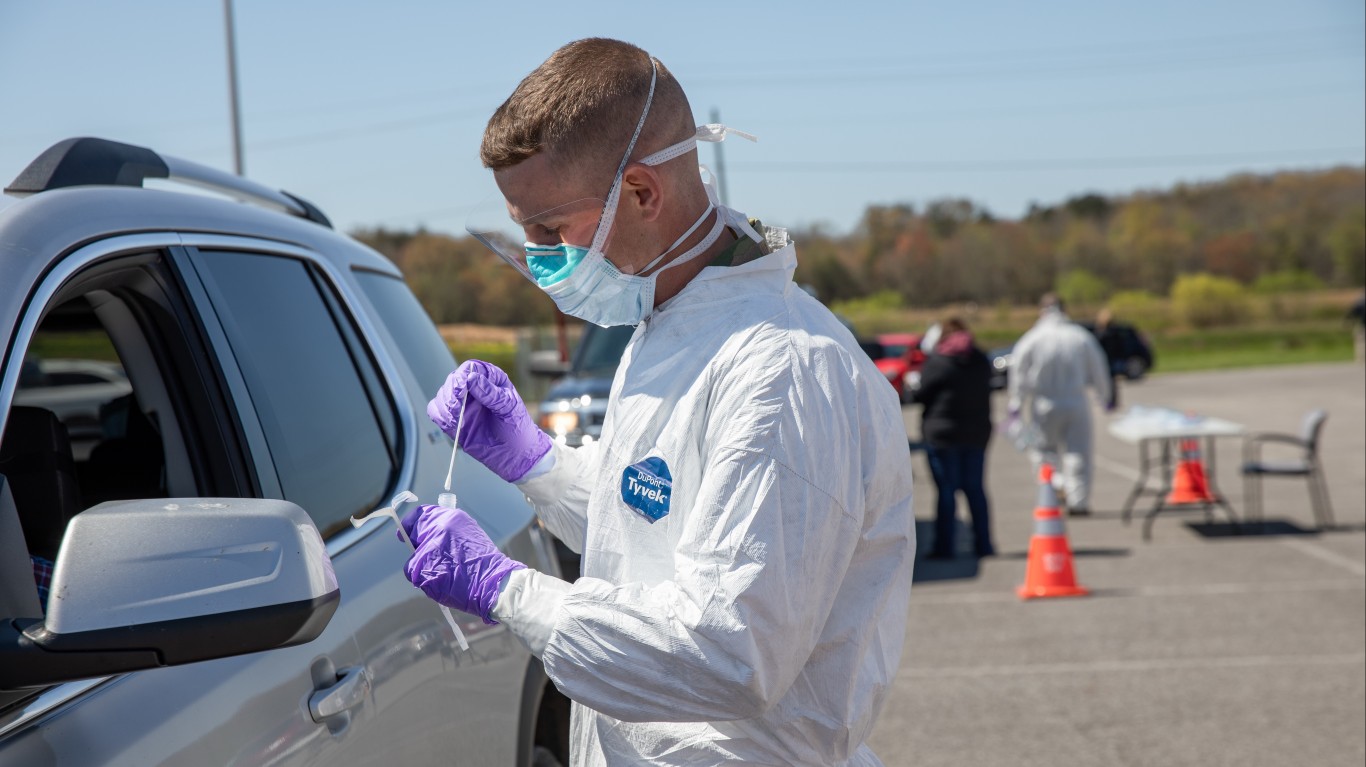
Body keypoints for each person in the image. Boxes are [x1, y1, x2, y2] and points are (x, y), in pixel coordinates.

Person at [403, 39, 914, 766]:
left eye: (550, 230)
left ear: (642, 193)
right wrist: (539, 464)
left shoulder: (781, 374)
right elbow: (659, 524)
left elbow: (729, 651)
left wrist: (510, 591)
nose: (538, 256)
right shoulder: (670, 321)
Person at [1008, 293, 1112, 516]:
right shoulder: (1079, 336)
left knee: (1043, 451)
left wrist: (1016, 403)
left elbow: (1018, 372)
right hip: (1075, 401)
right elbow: (1099, 368)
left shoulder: (1032, 338)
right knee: (1079, 452)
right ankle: (1079, 501)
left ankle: (1053, 486)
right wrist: (1105, 396)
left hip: (1043, 403)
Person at [910, 318, 995, 559]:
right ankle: (984, 545)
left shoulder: (938, 361)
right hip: (977, 434)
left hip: (942, 435)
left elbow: (921, 394)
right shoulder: (980, 359)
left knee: (946, 491)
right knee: (975, 490)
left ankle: (945, 547)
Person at [1092, 308, 1124, 409]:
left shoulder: (1104, 332)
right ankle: (1110, 400)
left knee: (1107, 380)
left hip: (1106, 359)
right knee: (1111, 381)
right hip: (1110, 358)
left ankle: (1108, 400)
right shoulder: (1113, 331)